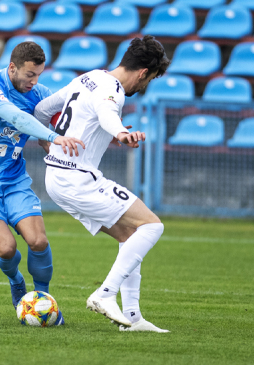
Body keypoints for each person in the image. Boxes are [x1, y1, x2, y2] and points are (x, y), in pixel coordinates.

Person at [34, 35, 171, 333]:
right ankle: (104, 294)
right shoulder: (113, 90)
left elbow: (42, 110)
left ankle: (133, 319)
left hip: (57, 177)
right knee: (152, 226)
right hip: (76, 177)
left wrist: (48, 139)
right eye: (149, 80)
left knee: (130, 237)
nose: (144, 87)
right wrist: (121, 133)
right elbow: (108, 113)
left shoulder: (90, 77)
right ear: (143, 72)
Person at [0, 41, 84, 323]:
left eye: (38, 76)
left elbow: (68, 116)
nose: (34, 82)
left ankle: (43, 300)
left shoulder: (39, 93)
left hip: (13, 180)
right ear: (12, 68)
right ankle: (16, 282)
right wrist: (51, 137)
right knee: (7, 248)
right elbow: (15, 117)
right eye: (29, 75)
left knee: (37, 240)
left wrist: (113, 133)